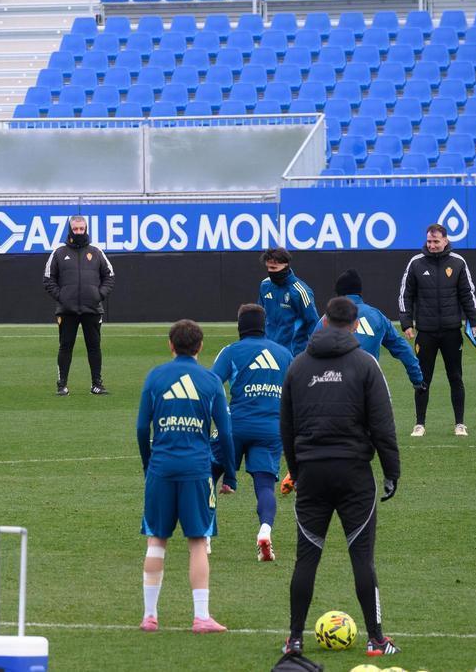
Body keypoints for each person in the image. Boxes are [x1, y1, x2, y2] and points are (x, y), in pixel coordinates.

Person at [279, 297, 401, 659]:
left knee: (306, 558)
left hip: (312, 473)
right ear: (355, 325)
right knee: (362, 558)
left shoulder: (298, 366)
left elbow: (286, 426)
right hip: (354, 474)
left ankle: (294, 639)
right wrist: (392, 471)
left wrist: (296, 470)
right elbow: (383, 424)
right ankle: (376, 640)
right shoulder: (365, 364)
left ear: (324, 322)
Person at [136, 319, 235, 634]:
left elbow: (142, 428)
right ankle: (201, 616)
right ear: (200, 346)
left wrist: (148, 464)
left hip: (161, 468)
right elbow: (225, 433)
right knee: (197, 541)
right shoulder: (210, 381)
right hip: (196, 470)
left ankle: (149, 616)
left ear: (170, 345)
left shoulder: (155, 376)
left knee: (156, 540)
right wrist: (230, 474)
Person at [211, 305, 292, 562]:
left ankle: (204, 536)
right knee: (265, 485)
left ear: (240, 326)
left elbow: (211, 384)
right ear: (263, 325)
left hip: (235, 426)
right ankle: (265, 531)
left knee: (208, 475)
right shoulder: (283, 354)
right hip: (271, 428)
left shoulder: (231, 351)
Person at [397, 223, 476, 438]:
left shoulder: (458, 262)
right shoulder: (416, 263)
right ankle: (419, 424)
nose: (432, 245)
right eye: (429, 241)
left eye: (436, 241)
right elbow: (405, 295)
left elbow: (467, 294)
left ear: (445, 240)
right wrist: (406, 323)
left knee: (456, 377)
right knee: (422, 378)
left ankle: (460, 424)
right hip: (425, 332)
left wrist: (475, 321)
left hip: (452, 332)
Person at [42, 215, 116, 396]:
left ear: (86, 229)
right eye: (75, 229)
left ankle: (97, 385)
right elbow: (48, 279)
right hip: (67, 310)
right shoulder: (59, 252)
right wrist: (62, 297)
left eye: (81, 229)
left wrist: (98, 295)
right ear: (70, 230)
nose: (78, 232)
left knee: (94, 347)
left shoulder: (96, 252)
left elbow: (109, 276)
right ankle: (62, 386)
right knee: (65, 347)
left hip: (92, 309)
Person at [318, 269, 426, 391]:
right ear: (359, 293)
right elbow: (403, 349)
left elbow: (310, 351)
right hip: (367, 385)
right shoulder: (377, 316)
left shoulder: (327, 318)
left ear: (339, 295)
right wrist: (417, 380)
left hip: (332, 385)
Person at [258, 248, 319, 357]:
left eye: (274, 268)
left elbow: (313, 323)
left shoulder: (300, 291)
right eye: (268, 268)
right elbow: (260, 316)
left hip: (293, 354)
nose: (270, 271)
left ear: (285, 265)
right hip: (269, 352)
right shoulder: (265, 285)